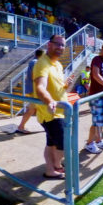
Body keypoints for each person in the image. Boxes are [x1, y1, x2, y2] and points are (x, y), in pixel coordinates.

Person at [34, 34, 71, 179]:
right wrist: (50, 101)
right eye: (58, 44)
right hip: (51, 114)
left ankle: (50, 170)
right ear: (49, 45)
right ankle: (57, 165)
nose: (60, 47)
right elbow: (40, 87)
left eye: (63, 45)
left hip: (60, 112)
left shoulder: (58, 65)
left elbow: (56, 86)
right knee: (64, 143)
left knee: (51, 144)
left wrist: (65, 85)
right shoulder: (42, 63)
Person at [15, 49, 44, 134]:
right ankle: (21, 127)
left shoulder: (34, 62)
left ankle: (21, 126)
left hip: (33, 89)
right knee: (33, 109)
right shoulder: (36, 62)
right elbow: (34, 76)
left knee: (34, 109)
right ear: (41, 55)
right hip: (35, 90)